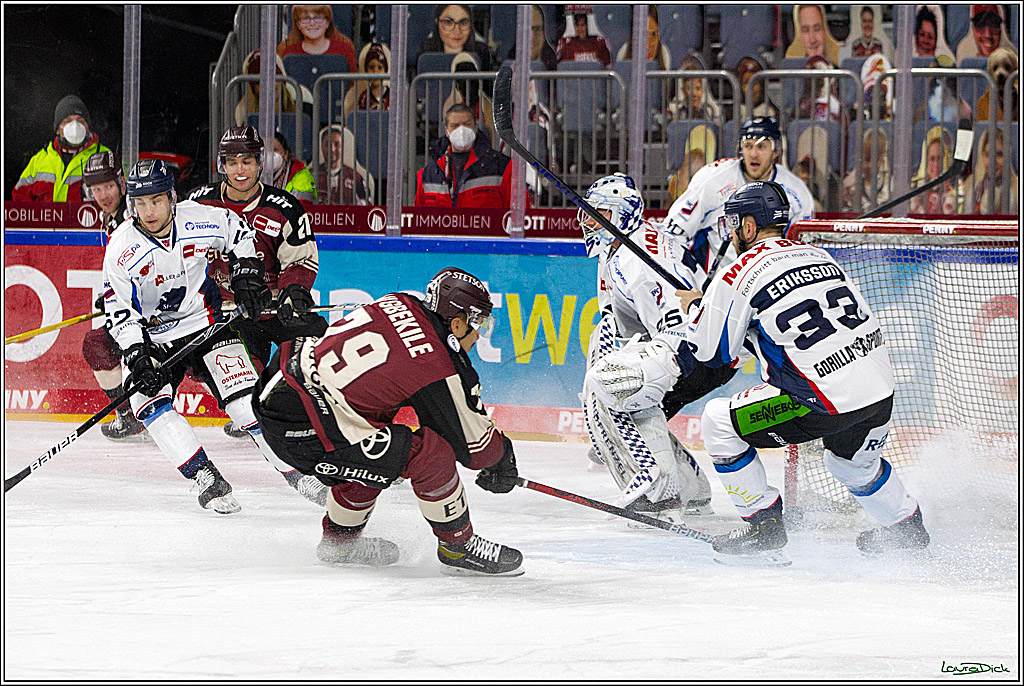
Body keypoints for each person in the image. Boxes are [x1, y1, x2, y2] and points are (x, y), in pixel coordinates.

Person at [670, 181, 929, 563]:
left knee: (718, 422)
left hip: (819, 401)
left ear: (748, 227)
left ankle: (764, 528)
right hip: (879, 391)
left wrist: (699, 309)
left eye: (733, 224)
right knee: (850, 462)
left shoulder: (737, 273)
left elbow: (712, 354)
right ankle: (905, 526)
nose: (731, 232)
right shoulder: (820, 254)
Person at [252, 267, 524, 575]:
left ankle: (340, 546)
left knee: (376, 444)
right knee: (430, 453)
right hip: (307, 426)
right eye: (479, 324)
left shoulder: (400, 300)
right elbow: (475, 449)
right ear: (458, 322)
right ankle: (457, 546)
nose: (478, 335)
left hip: (278, 387)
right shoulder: (440, 362)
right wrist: (501, 458)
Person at [102, 159, 308, 514]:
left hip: (207, 324)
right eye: (140, 203)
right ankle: (205, 476)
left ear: (171, 197)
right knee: (147, 403)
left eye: (156, 200)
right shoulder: (121, 248)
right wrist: (137, 355)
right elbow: (119, 311)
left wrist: (247, 272)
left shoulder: (199, 217)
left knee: (246, 403)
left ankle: (300, 475)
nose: (149, 211)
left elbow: (239, 231)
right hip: (154, 337)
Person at [577, 174, 735, 523]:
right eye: (587, 213)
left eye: (597, 212)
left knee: (616, 384)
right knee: (621, 389)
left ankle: (661, 492)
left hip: (697, 348)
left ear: (621, 215)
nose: (588, 221)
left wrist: (626, 391)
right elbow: (619, 326)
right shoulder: (618, 249)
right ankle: (691, 493)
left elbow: (680, 326)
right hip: (694, 346)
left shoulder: (638, 259)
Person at [188, 126, 330, 467]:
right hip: (227, 319)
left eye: (248, 161)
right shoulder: (197, 206)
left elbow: (301, 259)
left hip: (275, 311)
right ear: (221, 164)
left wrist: (294, 292)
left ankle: (341, 432)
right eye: (233, 162)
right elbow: (181, 260)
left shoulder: (283, 207)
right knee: (239, 387)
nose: (241, 170)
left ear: (259, 163)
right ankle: (255, 406)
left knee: (320, 360)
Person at [665, 116, 815, 278]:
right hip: (717, 286)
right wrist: (689, 278)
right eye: (748, 146)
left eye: (762, 146)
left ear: (775, 151)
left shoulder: (797, 192)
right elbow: (673, 232)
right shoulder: (713, 179)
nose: (754, 154)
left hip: (770, 284)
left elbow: (803, 251)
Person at [79, 151, 146, 441]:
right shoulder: (111, 218)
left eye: (108, 185)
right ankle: (126, 414)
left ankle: (249, 409)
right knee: (97, 344)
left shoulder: (136, 213)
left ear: (121, 181)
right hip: (137, 309)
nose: (103, 194)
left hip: (161, 308)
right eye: (96, 188)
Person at [414, 103, 522, 208]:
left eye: (467, 124)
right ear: (446, 131)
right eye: (455, 126)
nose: (461, 131)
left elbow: (521, 214)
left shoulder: (503, 167)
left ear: (475, 127)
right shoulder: (428, 174)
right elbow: (419, 220)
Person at [13, 95, 109, 202]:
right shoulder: (39, 161)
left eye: (80, 120)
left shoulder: (104, 157)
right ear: (58, 129)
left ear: (87, 127)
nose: (75, 125)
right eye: (67, 120)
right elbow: (20, 200)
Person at [234, 49, 306, 127]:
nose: (267, 86)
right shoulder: (243, 112)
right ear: (253, 89)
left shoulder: (303, 101)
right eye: (259, 82)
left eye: (272, 79)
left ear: (281, 81)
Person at [277, 5, 357, 73]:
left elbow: (353, 87)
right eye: (305, 19)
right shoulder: (288, 51)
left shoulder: (345, 49)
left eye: (318, 18)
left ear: (327, 22)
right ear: (298, 24)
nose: (312, 23)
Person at [418, 5, 492, 71]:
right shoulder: (426, 50)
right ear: (437, 22)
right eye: (448, 22)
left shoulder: (481, 52)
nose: (457, 31)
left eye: (463, 23)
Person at [314, 124, 375, 205]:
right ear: (321, 147)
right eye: (327, 144)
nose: (332, 149)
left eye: (336, 144)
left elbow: (368, 208)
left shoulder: (356, 178)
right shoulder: (310, 176)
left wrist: (359, 205)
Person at [963, 127, 1018, 214]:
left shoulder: (1017, 190)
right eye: (989, 154)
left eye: (999, 154)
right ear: (982, 157)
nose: (993, 161)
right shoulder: (971, 187)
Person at [909, 126, 958, 215]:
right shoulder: (916, 189)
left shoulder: (956, 187)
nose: (936, 164)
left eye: (940, 159)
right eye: (932, 159)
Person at [841, 128, 891, 211]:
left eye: (875, 160)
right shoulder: (850, 185)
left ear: (883, 158)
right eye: (867, 159)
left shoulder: (890, 186)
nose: (871, 165)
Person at [668, 54, 723, 124]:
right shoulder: (674, 111)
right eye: (689, 88)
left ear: (702, 91)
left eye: (698, 88)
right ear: (683, 91)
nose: (693, 94)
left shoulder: (713, 111)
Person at [342, 42, 391, 119]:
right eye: (371, 68)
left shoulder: (391, 96)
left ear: (385, 70)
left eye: (380, 68)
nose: (375, 72)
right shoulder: (364, 97)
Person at [615, 5, 671, 69]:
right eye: (643, 35)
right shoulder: (623, 53)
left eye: (653, 35)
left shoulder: (664, 55)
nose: (647, 45)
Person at [271, 131, 317, 202]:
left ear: (285, 154)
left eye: (275, 150)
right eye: (265, 150)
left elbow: (302, 209)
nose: (269, 155)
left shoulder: (302, 177)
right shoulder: (255, 176)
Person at [736, 56, 776, 120]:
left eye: (755, 83)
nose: (751, 89)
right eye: (746, 83)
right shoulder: (732, 113)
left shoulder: (771, 112)